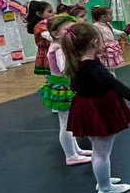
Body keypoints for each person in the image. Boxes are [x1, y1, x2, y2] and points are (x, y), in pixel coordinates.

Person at [61, 22, 130, 193]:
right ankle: (105, 188)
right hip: (99, 108)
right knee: (102, 152)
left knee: (98, 149)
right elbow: (114, 84)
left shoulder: (78, 63)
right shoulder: (94, 68)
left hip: (88, 106)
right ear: (94, 43)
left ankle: (103, 180)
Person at [38, 14, 93, 165]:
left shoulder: (59, 46)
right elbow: (64, 68)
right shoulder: (59, 49)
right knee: (66, 122)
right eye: (67, 30)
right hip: (63, 86)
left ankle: (75, 150)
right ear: (56, 34)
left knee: (69, 120)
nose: (71, 32)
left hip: (62, 84)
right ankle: (71, 155)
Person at [26, 1, 55, 77]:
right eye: (50, 11)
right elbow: (49, 37)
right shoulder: (40, 26)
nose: (53, 13)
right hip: (47, 53)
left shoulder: (49, 23)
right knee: (51, 74)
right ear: (39, 14)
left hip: (52, 50)